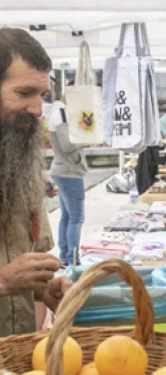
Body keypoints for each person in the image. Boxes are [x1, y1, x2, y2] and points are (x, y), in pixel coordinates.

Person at [0, 28, 72, 337]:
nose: (38, 110)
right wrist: (3, 282)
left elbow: (26, 275)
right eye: (24, 93)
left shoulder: (21, 165)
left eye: (41, 96)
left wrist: (46, 291)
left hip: (16, 369)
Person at [47, 91, 88, 267]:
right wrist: (87, 138)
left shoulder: (57, 111)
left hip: (62, 169)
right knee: (76, 217)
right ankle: (73, 259)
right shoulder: (62, 114)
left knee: (67, 216)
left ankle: (65, 256)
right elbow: (66, 145)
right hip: (68, 172)